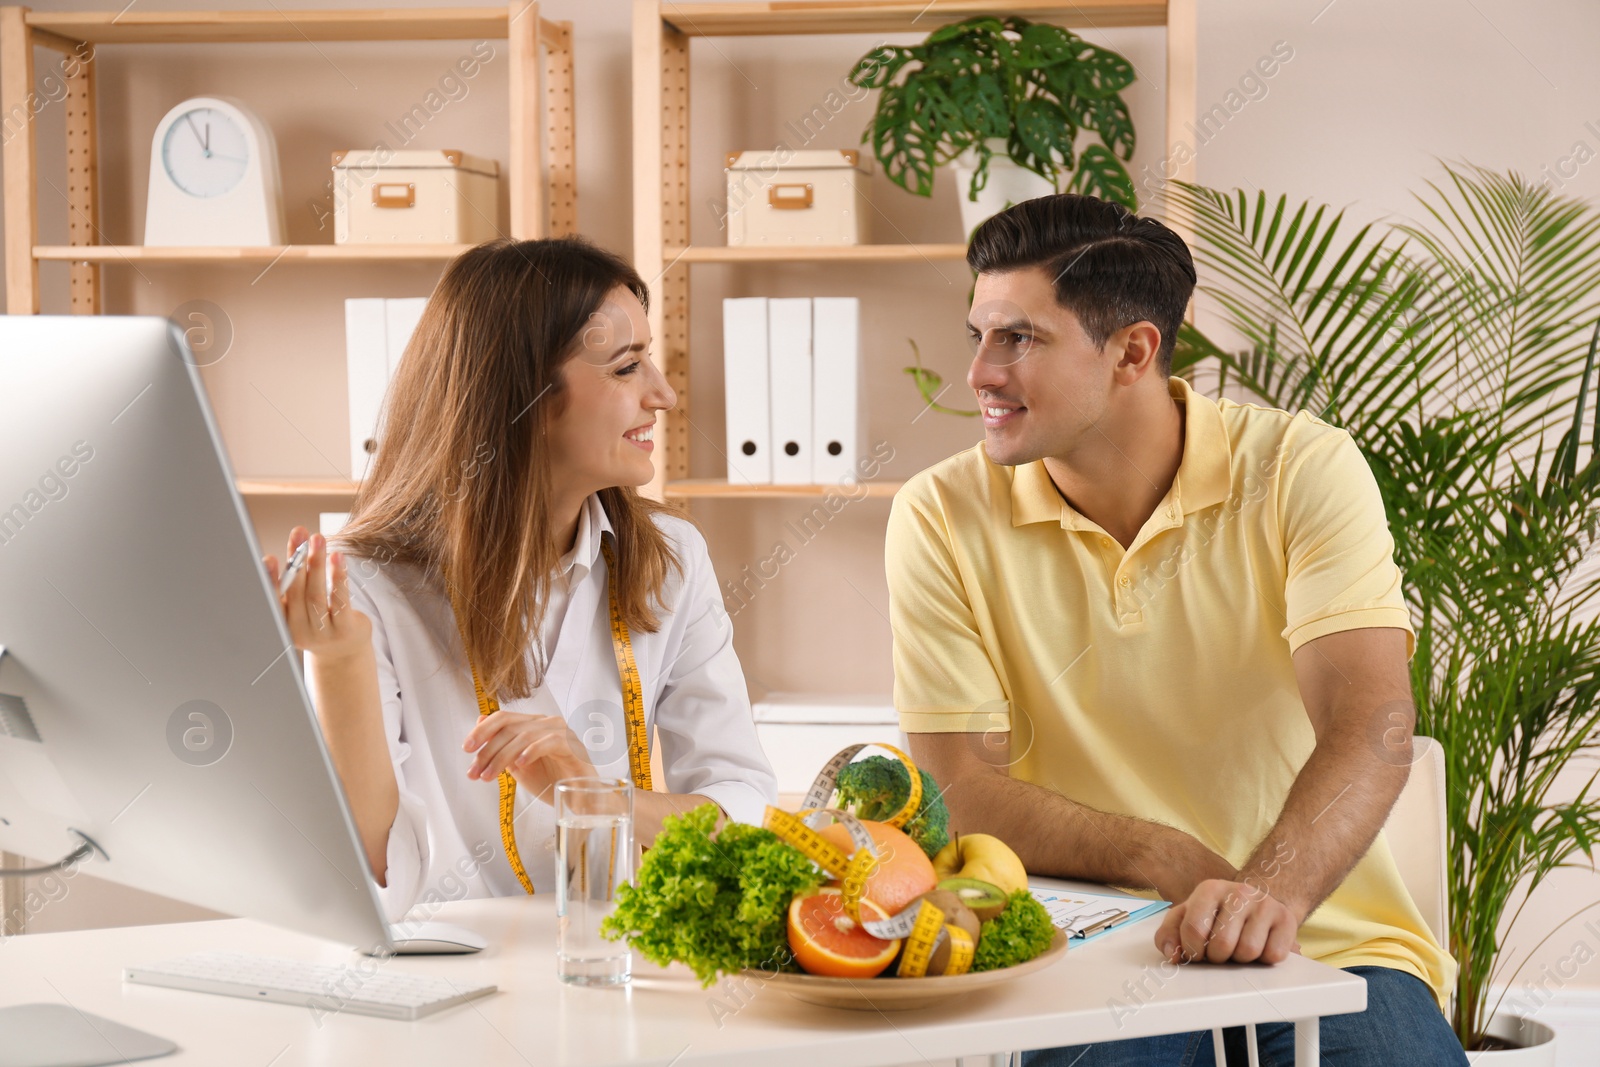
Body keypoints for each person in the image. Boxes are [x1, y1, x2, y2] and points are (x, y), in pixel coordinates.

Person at [885, 194, 1465, 1066]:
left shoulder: (1302, 468)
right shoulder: (939, 515)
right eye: (979, 334)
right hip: (1086, 955)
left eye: (1021, 338)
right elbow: (959, 786)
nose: (980, 373)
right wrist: (1162, 854)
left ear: (1133, 351)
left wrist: (1263, 894)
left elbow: (1369, 717)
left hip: (1327, 938)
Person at [264, 236, 777, 918]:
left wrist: (596, 796)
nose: (665, 394)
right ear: (527, 395)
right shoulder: (367, 586)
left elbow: (741, 807)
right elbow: (369, 859)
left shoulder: (671, 560)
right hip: (442, 983)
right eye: (627, 368)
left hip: (610, 969)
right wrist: (336, 659)